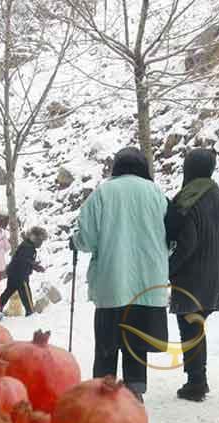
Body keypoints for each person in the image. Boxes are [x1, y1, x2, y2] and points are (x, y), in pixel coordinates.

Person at [71, 147, 169, 402]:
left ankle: (103, 390)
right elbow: (170, 236)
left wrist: (75, 241)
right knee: (136, 340)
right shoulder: (156, 193)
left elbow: (88, 239)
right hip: (148, 284)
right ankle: (135, 391)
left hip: (111, 282)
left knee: (107, 341)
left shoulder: (103, 193)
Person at [165, 148, 219, 402]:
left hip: (191, 276)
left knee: (191, 327)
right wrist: (216, 262)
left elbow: (187, 242)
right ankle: (197, 378)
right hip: (214, 275)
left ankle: (197, 382)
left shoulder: (189, 199)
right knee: (195, 326)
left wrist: (169, 268)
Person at [1, 226, 47, 317]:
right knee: (26, 294)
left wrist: (34, 265)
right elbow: (25, 260)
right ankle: (30, 312)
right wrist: (36, 266)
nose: (41, 243)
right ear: (34, 238)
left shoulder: (27, 245)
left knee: (8, 292)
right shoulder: (28, 247)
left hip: (13, 272)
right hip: (20, 275)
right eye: (40, 241)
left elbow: (25, 259)